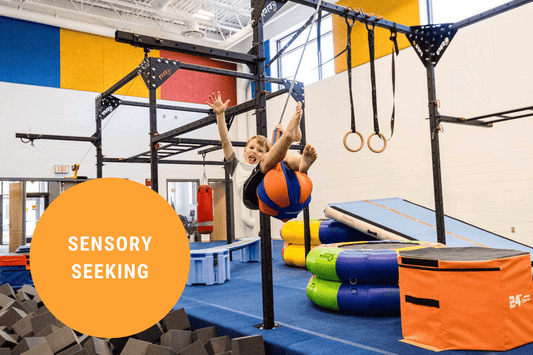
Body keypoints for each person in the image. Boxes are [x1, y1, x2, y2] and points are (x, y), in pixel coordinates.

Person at [207, 91, 318, 211]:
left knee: (283, 159)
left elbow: (274, 156)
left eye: (260, 151)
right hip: (250, 197)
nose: (254, 152)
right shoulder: (235, 165)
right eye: (251, 148)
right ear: (244, 151)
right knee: (265, 163)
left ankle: (301, 162)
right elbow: (225, 142)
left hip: (268, 190)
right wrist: (220, 115)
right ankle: (288, 138)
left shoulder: (266, 162)